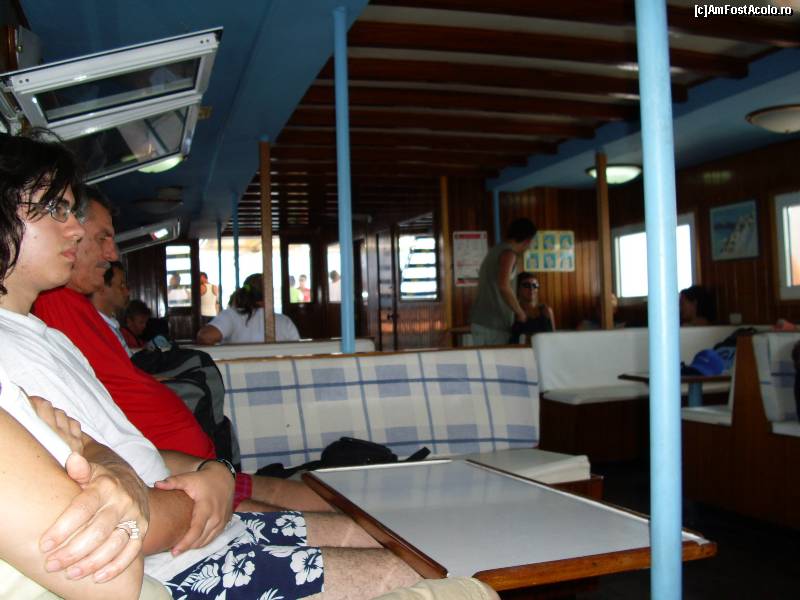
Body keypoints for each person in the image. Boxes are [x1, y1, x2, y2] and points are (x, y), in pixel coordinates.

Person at [0, 132, 421, 598]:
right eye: (55, 209)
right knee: (422, 572)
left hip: (199, 529)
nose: (75, 230)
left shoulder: (45, 336)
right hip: (181, 566)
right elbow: (116, 522)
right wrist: (205, 493)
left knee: (406, 542)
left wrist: (213, 472)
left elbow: (128, 453)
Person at [469, 218, 537, 345]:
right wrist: (520, 313)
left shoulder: (496, 250)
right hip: (493, 324)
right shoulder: (509, 254)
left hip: (482, 322)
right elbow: (504, 286)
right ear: (528, 240)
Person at [196, 273, 301, 344]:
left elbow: (205, 337)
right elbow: (297, 351)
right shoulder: (285, 321)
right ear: (269, 294)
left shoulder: (231, 316)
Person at [92, 261, 133, 355]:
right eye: (121, 285)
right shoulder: (98, 330)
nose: (127, 292)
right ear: (101, 287)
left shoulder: (110, 324)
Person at [510, 272, 555, 343]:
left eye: (535, 285)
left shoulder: (546, 310)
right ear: (518, 288)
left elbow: (553, 338)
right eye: (526, 285)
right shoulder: (512, 312)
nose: (531, 288)